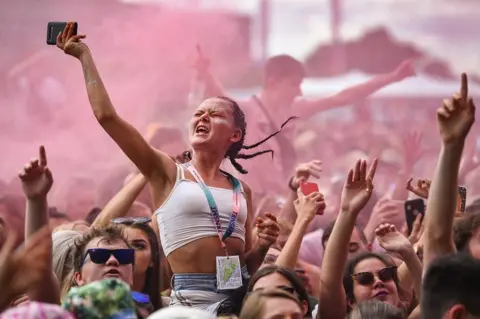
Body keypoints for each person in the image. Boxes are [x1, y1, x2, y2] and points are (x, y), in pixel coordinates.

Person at [56, 22, 280, 313]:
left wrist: (262, 246)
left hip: (234, 306)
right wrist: (84, 56)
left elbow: (242, 269)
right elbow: (107, 117)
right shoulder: (169, 172)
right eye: (199, 113)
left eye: (215, 114)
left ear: (234, 135)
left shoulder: (241, 190)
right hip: (186, 307)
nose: (203, 118)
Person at [192, 50, 416, 193]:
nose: (299, 90)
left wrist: (392, 78)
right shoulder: (245, 110)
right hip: (249, 197)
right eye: (293, 84)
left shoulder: (296, 109)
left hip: (282, 195)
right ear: (273, 82)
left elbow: (343, 97)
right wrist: (205, 73)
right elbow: (217, 94)